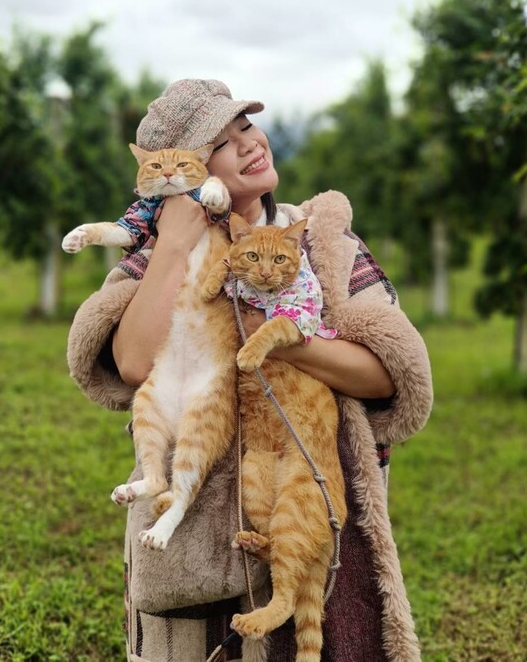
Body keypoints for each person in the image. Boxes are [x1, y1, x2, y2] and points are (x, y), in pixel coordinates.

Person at [67, 79, 433, 662]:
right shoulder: (157, 252)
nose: (250, 143)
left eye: (247, 126)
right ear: (188, 169)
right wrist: (172, 243)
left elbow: (390, 374)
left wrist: (267, 334)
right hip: (195, 524)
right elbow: (133, 363)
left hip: (305, 493)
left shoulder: (321, 241)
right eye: (222, 142)